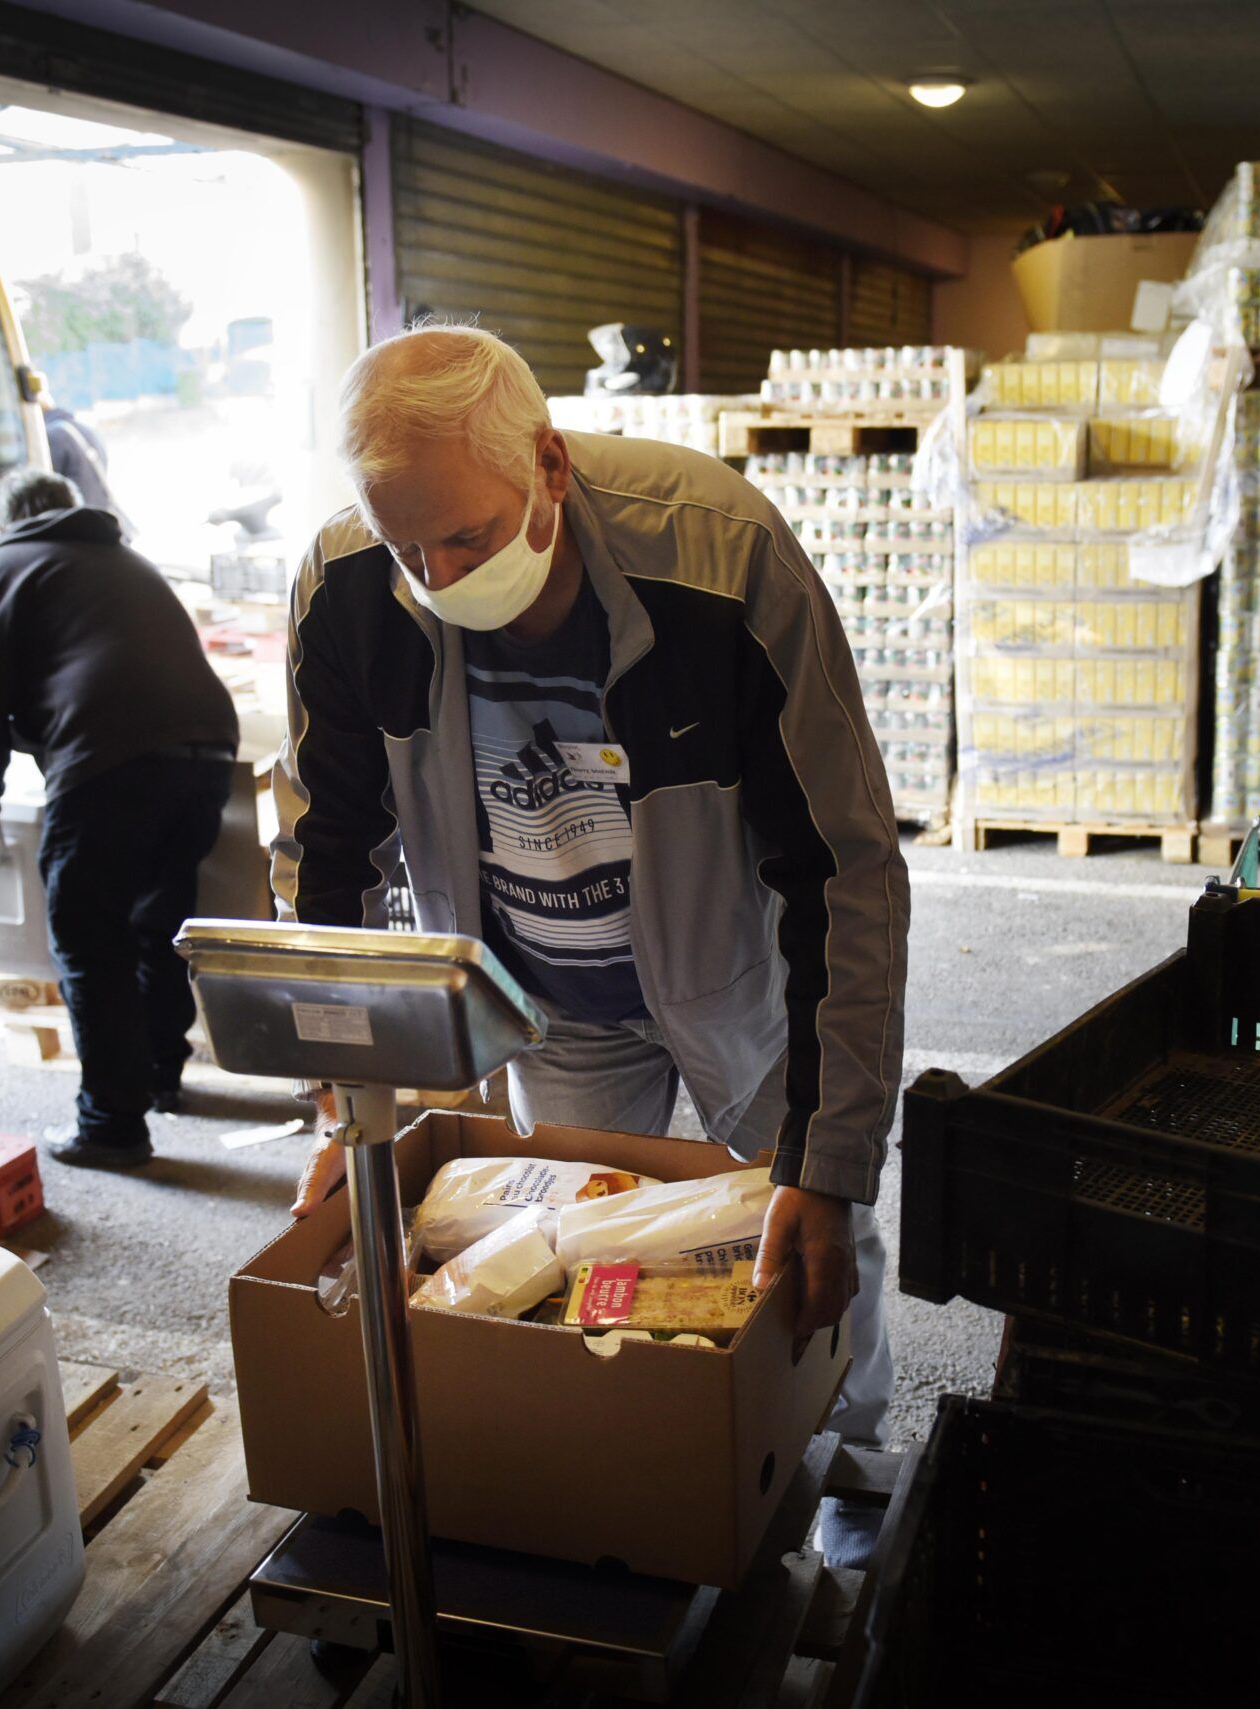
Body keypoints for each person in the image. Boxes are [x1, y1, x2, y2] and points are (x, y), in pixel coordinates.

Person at [271, 325, 910, 1465]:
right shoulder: (349, 590)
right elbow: (330, 857)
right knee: (575, 1256)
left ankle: (850, 1464)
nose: (441, 579)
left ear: (550, 466)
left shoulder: (719, 556)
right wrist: (345, 1099)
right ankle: (640, 1478)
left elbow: (843, 865)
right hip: (547, 999)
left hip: (737, 985)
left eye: (468, 536)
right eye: (408, 548)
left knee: (811, 1239)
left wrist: (832, 1150)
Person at [0, 469, 239, 1168]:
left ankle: (111, 1126)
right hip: (206, 751)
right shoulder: (124, 560)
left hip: (111, 762)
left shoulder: (8, 564)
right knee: (159, 925)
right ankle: (160, 1074)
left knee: (88, 939)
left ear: (2, 523)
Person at [41, 391, 133, 540]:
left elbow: (46, 490)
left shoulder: (52, 436)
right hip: (100, 521)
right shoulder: (87, 431)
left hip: (76, 527)